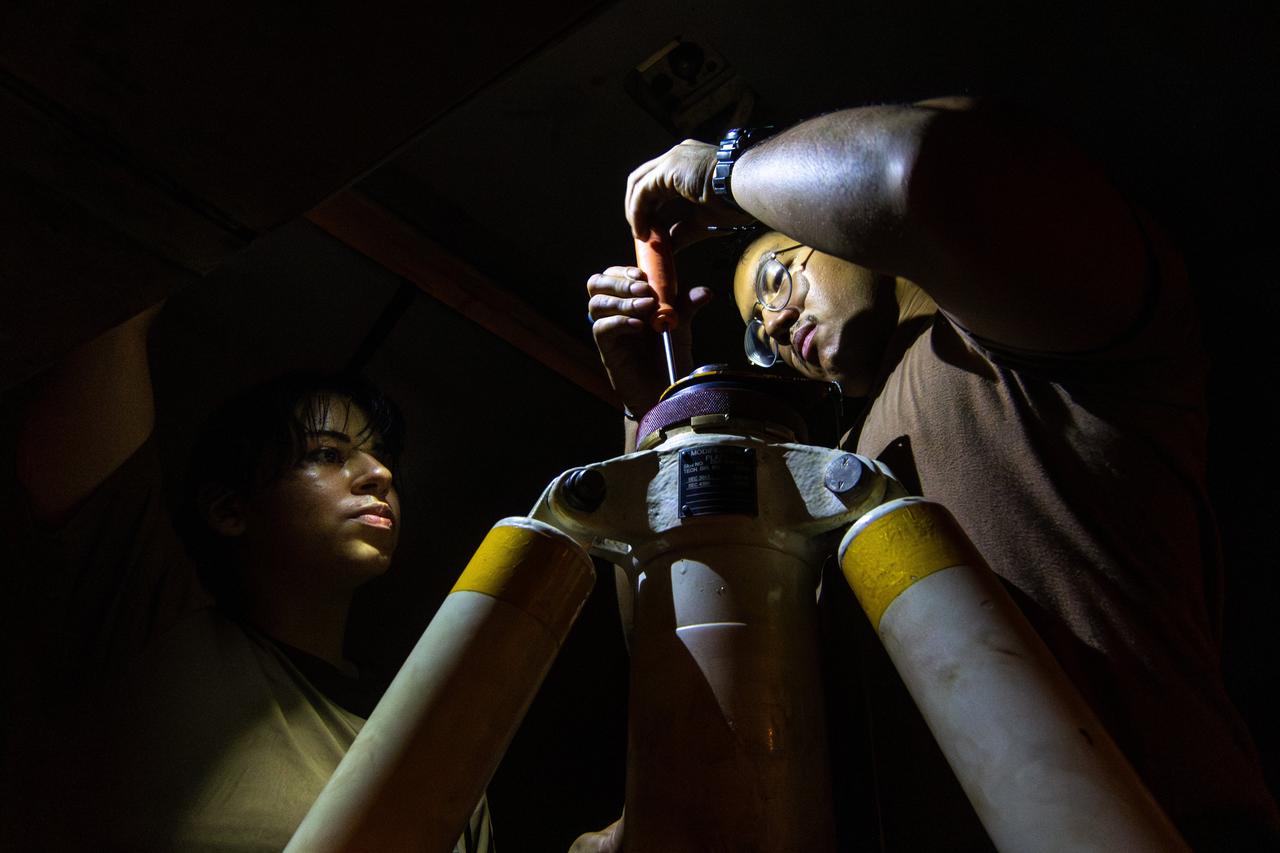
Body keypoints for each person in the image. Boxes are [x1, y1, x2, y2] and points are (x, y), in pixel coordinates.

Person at [583, 98, 1280, 849]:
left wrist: (726, 171)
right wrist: (656, 411)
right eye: (759, 334)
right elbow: (677, 641)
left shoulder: (1042, 339)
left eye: (778, 281)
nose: (775, 329)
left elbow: (917, 174)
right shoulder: (832, 475)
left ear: (836, 233)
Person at [2, 304, 493, 852]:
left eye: (382, 458)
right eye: (328, 453)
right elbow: (110, 323)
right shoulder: (151, 624)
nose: (379, 474)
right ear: (231, 509)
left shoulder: (437, 742)